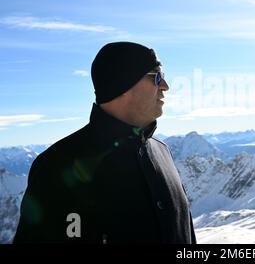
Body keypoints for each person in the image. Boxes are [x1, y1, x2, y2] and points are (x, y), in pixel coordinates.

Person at [14, 42, 196, 243]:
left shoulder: (163, 153)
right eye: (157, 77)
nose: (166, 86)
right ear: (124, 84)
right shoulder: (55, 166)